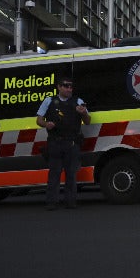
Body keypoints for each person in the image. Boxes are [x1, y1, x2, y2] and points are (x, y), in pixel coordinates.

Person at [36, 76, 90, 210]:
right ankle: (51, 202)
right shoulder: (49, 101)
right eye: (66, 86)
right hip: (55, 143)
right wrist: (46, 124)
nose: (69, 88)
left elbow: (88, 121)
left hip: (72, 143)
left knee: (71, 174)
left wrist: (83, 113)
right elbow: (39, 120)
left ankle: (70, 202)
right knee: (54, 174)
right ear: (58, 87)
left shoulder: (78, 101)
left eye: (71, 86)